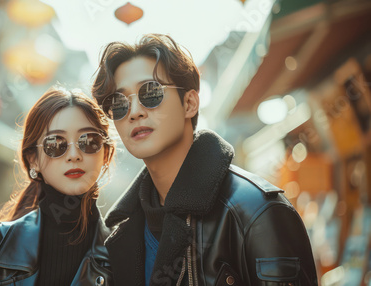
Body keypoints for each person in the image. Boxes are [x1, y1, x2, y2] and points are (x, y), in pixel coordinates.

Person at [92, 34, 318, 286]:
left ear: (189, 103)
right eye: (119, 103)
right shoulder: (119, 233)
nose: (134, 112)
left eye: (151, 92)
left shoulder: (256, 213)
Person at [0, 87, 115, 285]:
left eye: (89, 141)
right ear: (33, 160)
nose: (74, 155)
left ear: (106, 154)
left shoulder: (125, 256)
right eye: (56, 143)